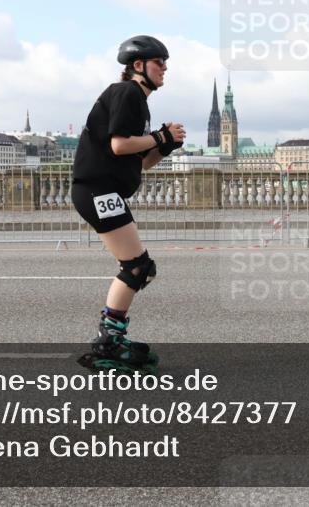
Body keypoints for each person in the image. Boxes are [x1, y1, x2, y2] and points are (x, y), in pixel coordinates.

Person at [71, 35, 185, 373]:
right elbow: (120, 145)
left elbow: (140, 162)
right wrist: (160, 137)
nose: (165, 68)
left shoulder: (138, 101)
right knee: (137, 267)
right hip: (97, 190)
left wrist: (164, 147)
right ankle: (109, 340)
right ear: (139, 66)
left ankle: (112, 336)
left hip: (104, 191)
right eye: (158, 61)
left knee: (140, 267)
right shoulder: (127, 93)